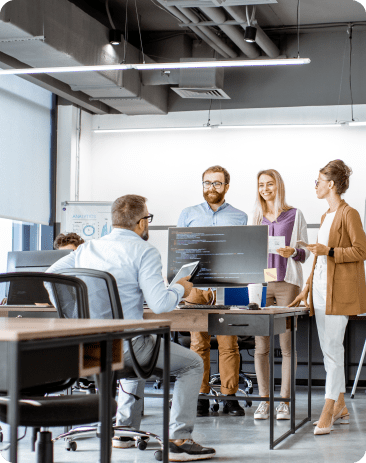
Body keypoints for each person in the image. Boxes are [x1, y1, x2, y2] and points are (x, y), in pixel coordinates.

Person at [47, 194, 216, 461]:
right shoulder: (144, 250)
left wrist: (72, 307)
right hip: (124, 349)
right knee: (191, 363)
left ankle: (124, 432)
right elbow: (160, 305)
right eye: (147, 218)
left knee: (137, 352)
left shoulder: (87, 249)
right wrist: (180, 288)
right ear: (141, 222)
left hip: (87, 349)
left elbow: (50, 278)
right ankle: (179, 440)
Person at [289, 160, 366, 435]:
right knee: (329, 350)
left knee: (333, 350)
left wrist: (330, 250)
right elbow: (319, 259)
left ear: (331, 184)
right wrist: (306, 288)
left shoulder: (349, 213)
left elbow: (360, 251)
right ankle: (341, 404)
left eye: (319, 180)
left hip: (339, 292)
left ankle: (329, 406)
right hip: (320, 289)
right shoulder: (325, 217)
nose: (316, 185)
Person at [177, 165, 248, 417]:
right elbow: (180, 252)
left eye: (217, 183)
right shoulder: (188, 214)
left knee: (230, 344)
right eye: (207, 183)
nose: (212, 188)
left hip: (226, 287)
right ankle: (200, 397)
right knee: (199, 344)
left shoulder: (240, 217)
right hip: (196, 287)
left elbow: (242, 254)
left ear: (226, 187)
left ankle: (230, 397)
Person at [252, 169, 310, 421]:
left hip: (287, 283)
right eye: (261, 185)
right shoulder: (256, 217)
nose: (265, 189)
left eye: (270, 184)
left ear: (279, 185)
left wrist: (293, 253)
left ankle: (284, 402)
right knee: (261, 345)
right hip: (262, 284)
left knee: (286, 346)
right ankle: (264, 401)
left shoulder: (294, 215)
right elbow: (247, 252)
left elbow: (305, 252)